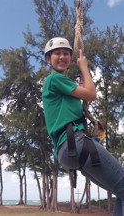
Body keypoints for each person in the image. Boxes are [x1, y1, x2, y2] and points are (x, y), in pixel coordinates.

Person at [42, 37, 124, 216]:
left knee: (121, 192)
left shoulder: (61, 86)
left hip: (67, 151)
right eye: (57, 53)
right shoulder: (54, 79)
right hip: (76, 142)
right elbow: (91, 94)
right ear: (48, 59)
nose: (62, 56)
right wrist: (84, 67)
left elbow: (84, 94)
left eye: (66, 53)